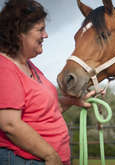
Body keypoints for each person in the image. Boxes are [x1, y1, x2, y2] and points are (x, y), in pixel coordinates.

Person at [0, 0, 95, 164]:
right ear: (19, 33)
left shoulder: (29, 66)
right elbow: (10, 124)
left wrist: (74, 101)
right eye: (40, 30)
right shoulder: (5, 69)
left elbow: (47, 109)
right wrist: (50, 155)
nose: (46, 35)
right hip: (26, 160)